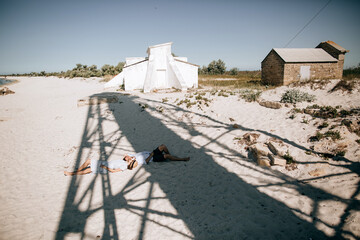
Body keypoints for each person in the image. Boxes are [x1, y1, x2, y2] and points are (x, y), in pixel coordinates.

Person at [123, 144, 190, 168]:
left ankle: (170, 155)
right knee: (166, 156)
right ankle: (182, 159)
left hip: (151, 153)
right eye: (126, 158)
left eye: (126, 157)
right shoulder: (136, 161)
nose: (126, 157)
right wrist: (151, 156)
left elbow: (126, 154)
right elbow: (146, 162)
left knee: (163, 146)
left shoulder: (133, 155)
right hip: (153, 158)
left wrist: (128, 157)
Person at [64, 158, 138, 176]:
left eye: (132, 160)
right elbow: (125, 156)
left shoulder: (124, 167)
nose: (131, 159)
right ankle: (77, 171)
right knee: (88, 161)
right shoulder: (124, 162)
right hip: (105, 163)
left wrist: (104, 167)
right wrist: (128, 158)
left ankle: (71, 173)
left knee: (89, 170)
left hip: (105, 167)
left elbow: (113, 171)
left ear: (131, 163)